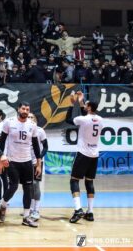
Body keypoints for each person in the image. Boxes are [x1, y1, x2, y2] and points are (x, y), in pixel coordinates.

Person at [0, 102, 42, 228]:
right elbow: (2, 142)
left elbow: (36, 145)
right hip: (12, 161)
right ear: (18, 109)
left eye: (28, 109)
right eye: (23, 108)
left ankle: (26, 217)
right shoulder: (9, 122)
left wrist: (38, 164)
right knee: (14, 186)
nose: (25, 111)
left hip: (27, 161)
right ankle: (3, 205)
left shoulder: (32, 125)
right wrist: (0, 159)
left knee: (28, 189)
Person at [66, 91, 103, 223]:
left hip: (83, 154)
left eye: (86, 105)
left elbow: (69, 120)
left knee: (74, 181)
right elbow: (86, 117)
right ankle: (90, 212)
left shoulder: (84, 119)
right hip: (94, 154)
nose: (85, 106)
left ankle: (78, 209)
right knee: (89, 182)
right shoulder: (100, 119)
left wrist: (72, 104)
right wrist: (81, 102)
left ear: (89, 108)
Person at [27, 113, 48, 221]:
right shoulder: (25, 129)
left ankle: (36, 210)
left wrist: (39, 158)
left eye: (32, 117)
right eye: (28, 117)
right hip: (25, 162)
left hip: (36, 163)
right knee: (28, 186)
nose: (30, 119)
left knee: (36, 185)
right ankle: (30, 209)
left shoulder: (40, 131)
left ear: (35, 120)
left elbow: (45, 147)